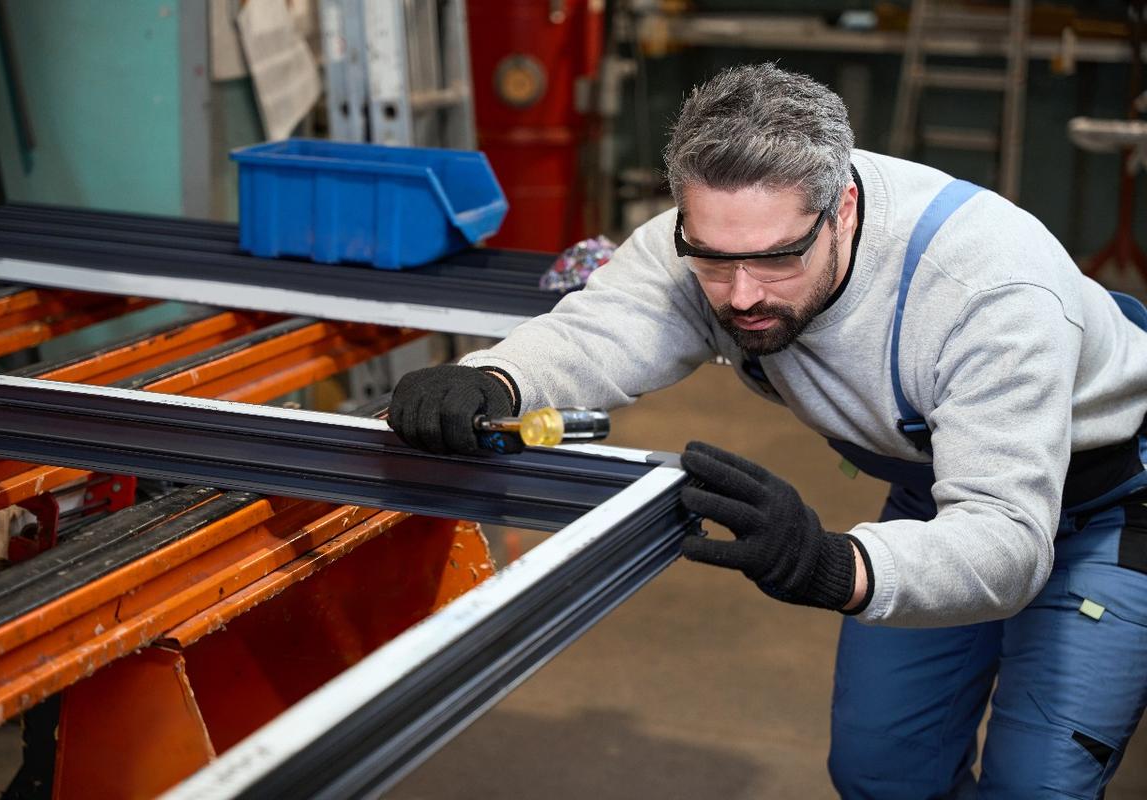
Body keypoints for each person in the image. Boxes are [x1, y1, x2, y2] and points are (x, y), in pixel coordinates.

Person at [386, 63, 1147, 798]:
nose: (741, 295)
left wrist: (829, 563)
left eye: (777, 258)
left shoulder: (988, 289)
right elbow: (606, 329)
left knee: (1034, 784)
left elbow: (1010, 541)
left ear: (842, 209)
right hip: (934, 488)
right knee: (884, 772)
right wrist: (495, 379)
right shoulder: (707, 237)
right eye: (714, 261)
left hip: (1102, 500)